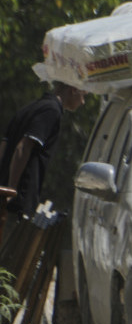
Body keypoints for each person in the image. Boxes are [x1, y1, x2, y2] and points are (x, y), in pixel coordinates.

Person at [1, 81, 86, 221]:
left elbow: (4, 147)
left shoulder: (30, 107)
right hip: (17, 201)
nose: (83, 102)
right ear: (74, 89)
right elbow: (23, 147)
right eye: (83, 95)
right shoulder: (51, 110)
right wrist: (12, 190)